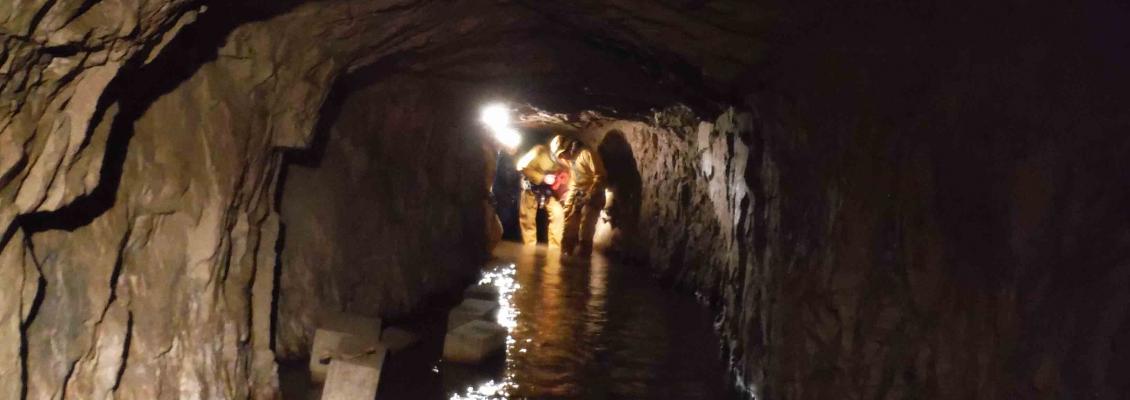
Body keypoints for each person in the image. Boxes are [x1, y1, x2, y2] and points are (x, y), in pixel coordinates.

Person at [550, 134, 608, 256]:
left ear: (568, 148)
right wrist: (568, 205)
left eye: (562, 154)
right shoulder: (571, 160)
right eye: (559, 156)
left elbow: (600, 176)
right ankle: (566, 255)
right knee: (569, 225)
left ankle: (583, 258)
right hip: (579, 194)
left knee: (586, 228)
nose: (562, 158)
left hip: (594, 195)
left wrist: (589, 195)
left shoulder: (586, 154)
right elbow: (575, 183)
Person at [515, 144, 565, 247]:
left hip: (548, 190)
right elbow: (522, 167)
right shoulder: (539, 151)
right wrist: (543, 178)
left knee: (558, 214)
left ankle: (555, 248)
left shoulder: (564, 161)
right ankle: (529, 247)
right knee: (528, 219)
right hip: (531, 187)